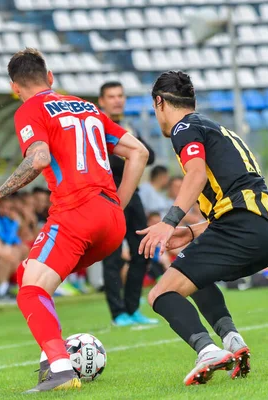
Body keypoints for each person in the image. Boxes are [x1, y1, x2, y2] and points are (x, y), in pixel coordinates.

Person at [0, 48, 148, 392]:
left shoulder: (29, 110)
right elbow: (138, 151)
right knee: (29, 274)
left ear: (14, 87)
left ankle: (61, 369)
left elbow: (39, 159)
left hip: (75, 214)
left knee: (30, 291)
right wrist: (117, 203)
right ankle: (48, 361)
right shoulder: (87, 106)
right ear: (50, 77)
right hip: (111, 220)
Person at [138, 71, 268, 386]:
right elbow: (237, 200)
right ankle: (232, 340)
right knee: (192, 273)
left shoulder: (184, 127)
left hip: (243, 229)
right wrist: (191, 232)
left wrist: (168, 223)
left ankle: (207, 350)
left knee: (159, 294)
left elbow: (196, 176)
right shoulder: (221, 131)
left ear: (159, 102)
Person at [99, 81, 158, 326]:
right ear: (101, 101)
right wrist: (128, 154)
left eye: (120, 96)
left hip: (132, 196)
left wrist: (130, 147)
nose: (117, 100)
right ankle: (118, 313)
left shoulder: (126, 127)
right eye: (111, 96)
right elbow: (104, 161)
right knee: (112, 256)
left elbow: (149, 156)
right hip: (107, 197)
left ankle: (133, 308)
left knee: (141, 251)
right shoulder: (98, 127)